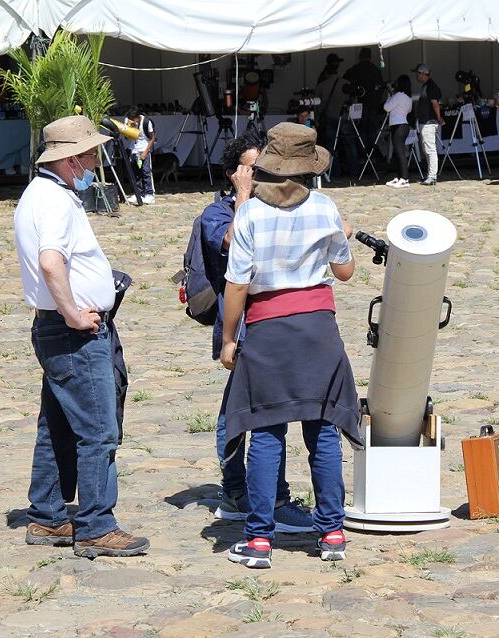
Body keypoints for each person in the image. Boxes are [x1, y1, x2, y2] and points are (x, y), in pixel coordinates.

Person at [221, 123, 360, 569]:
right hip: (318, 328)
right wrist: (345, 236)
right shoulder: (324, 208)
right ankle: (332, 532)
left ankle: (260, 539)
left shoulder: (250, 214)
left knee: (266, 432)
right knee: (322, 431)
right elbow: (345, 272)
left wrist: (228, 338)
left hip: (268, 328)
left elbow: (237, 285)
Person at [13, 115, 148, 558]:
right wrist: (73, 313)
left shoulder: (43, 194)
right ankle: (95, 525)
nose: (97, 160)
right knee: (99, 430)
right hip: (72, 332)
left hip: (57, 328)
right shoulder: (53, 201)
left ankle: (48, 515)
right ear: (72, 160)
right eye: (92, 154)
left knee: (56, 426)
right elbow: (52, 262)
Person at [200, 130, 315, 534]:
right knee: (249, 414)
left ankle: (242, 493)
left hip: (276, 325)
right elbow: (232, 244)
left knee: (253, 409)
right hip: (244, 328)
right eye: (254, 167)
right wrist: (245, 194)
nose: (264, 174)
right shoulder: (217, 214)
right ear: (235, 174)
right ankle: (254, 496)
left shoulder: (273, 208)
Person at [315, 54, 357, 177]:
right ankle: (354, 172)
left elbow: (317, 104)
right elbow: (353, 100)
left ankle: (334, 172)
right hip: (344, 117)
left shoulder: (322, 85)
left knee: (331, 147)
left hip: (329, 118)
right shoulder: (346, 83)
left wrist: (317, 119)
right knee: (350, 145)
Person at [344, 47, 384, 155]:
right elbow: (381, 88)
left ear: (359, 56)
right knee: (372, 130)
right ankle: (372, 156)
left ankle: (362, 156)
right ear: (370, 57)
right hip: (373, 105)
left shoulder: (355, 69)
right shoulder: (376, 70)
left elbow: (345, 83)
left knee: (359, 131)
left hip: (358, 105)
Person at [412, 64, 444, 186]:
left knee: (430, 149)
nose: (416, 76)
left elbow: (435, 103)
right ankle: (430, 175)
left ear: (422, 74)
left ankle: (432, 176)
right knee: (428, 149)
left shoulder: (430, 86)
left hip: (428, 122)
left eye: (417, 73)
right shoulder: (427, 86)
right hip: (426, 121)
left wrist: (438, 117)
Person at [383, 74, 413, 188]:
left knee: (399, 152)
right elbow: (409, 110)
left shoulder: (398, 95)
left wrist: (390, 94)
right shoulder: (408, 97)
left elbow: (386, 107)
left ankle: (404, 179)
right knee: (398, 152)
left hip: (398, 125)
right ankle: (399, 177)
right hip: (404, 125)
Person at [124, 107, 156, 205]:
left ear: (138, 117)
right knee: (135, 173)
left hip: (143, 149)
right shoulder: (127, 121)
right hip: (133, 150)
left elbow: (152, 138)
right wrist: (130, 128)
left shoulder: (146, 122)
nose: (132, 120)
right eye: (130, 118)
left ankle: (149, 194)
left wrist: (146, 152)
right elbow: (126, 137)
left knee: (146, 172)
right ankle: (138, 193)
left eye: (134, 118)